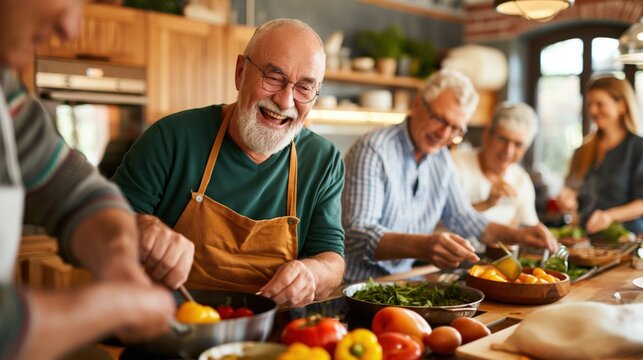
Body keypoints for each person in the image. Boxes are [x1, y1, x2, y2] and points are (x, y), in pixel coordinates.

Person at [0, 1, 198, 359]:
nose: (71, 28)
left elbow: (77, 190)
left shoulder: (6, 96)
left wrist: (119, 260)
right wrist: (105, 308)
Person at [112, 19, 345, 308]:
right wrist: (143, 227)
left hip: (271, 336)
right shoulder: (171, 138)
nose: (285, 101)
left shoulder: (324, 161)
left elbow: (332, 257)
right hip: (171, 327)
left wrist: (313, 273)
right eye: (273, 77)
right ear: (240, 72)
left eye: (304, 88)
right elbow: (107, 222)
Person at [342, 69, 557, 283]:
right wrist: (424, 246)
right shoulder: (374, 150)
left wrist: (520, 235)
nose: (444, 134)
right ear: (417, 104)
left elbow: (463, 217)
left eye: (455, 128)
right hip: (353, 286)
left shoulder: (441, 159)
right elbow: (357, 235)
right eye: (439, 119)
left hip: (400, 282)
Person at [557, 76, 643, 234]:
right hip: (585, 241)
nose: (592, 111)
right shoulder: (581, 151)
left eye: (600, 104)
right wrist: (568, 199)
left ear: (622, 106)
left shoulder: (638, 148)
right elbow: (572, 192)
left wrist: (609, 216)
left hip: (626, 240)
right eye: (590, 104)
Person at [451, 102, 539, 227]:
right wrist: (486, 204)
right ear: (487, 135)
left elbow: (529, 227)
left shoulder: (521, 180)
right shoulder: (454, 165)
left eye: (518, 144)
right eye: (503, 139)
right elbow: (439, 220)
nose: (508, 150)